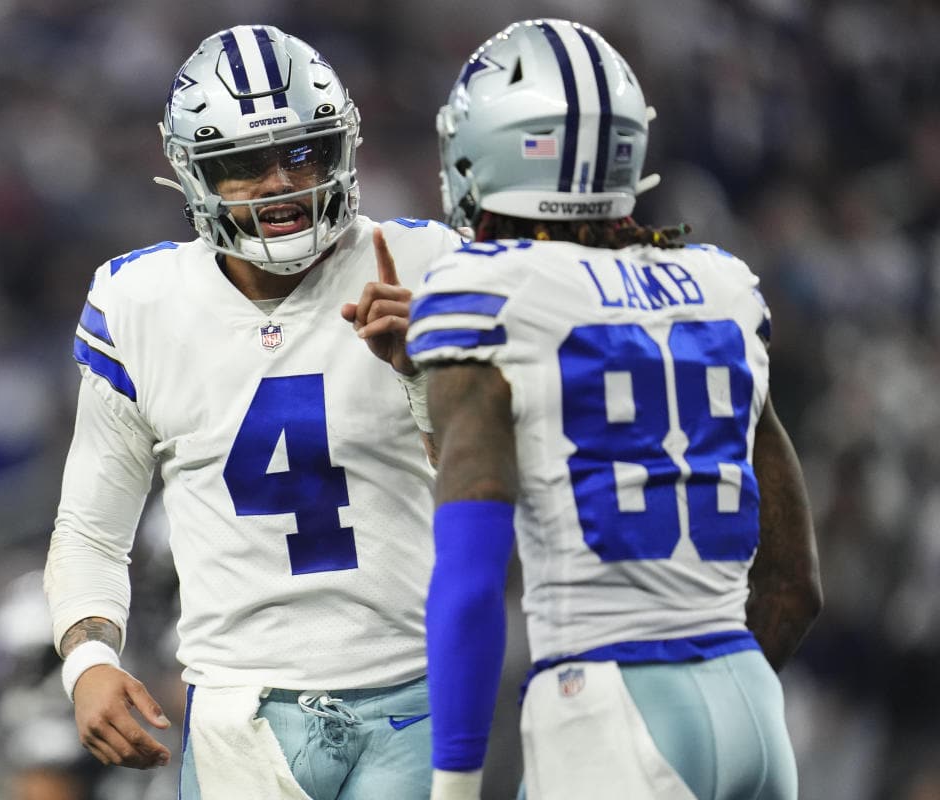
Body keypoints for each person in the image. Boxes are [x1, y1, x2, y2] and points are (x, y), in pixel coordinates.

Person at [43, 24, 463, 800]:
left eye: (301, 151)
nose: (278, 183)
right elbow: (93, 528)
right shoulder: (139, 305)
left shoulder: (423, 266)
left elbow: (504, 489)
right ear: (192, 172)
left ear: (341, 147)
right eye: (243, 164)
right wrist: (90, 661)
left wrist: (425, 375)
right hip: (240, 711)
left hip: (420, 694)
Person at [407, 19, 823, 800]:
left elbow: (467, 579)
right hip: (753, 708)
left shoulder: (482, 294)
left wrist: (454, 788)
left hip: (606, 703)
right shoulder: (720, 286)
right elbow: (794, 586)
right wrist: (708, 687)